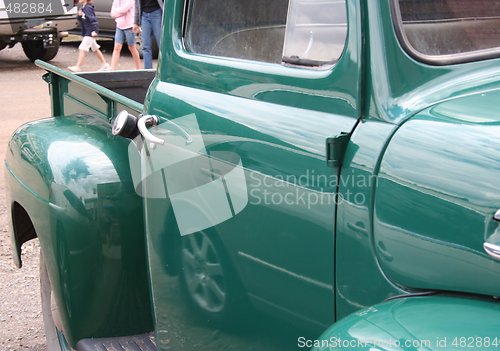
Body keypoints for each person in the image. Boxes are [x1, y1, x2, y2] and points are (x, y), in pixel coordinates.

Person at [68, 0, 110, 72]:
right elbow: (82, 20)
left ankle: (78, 66)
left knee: (82, 48)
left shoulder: (88, 8)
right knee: (95, 48)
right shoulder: (83, 8)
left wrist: (95, 30)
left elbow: (93, 20)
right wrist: (79, 16)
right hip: (87, 32)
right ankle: (105, 65)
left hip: (90, 32)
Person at [110, 0, 141, 70]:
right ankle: (112, 68)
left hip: (129, 26)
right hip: (119, 25)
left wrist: (116, 11)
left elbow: (125, 9)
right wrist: (118, 12)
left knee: (132, 47)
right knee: (117, 47)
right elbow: (112, 13)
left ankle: (138, 68)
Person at [133, 0, 164, 69]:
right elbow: (137, 5)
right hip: (144, 15)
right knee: (146, 46)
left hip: (156, 13)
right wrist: (136, 22)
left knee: (162, 45)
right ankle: (147, 70)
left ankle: (164, 69)